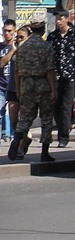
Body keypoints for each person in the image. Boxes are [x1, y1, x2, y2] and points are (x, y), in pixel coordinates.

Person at [9, 20, 57, 162]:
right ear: (42, 30)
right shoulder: (45, 46)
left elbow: (16, 71)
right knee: (46, 119)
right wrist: (54, 89)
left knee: (25, 118)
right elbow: (49, 70)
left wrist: (18, 89)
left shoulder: (22, 47)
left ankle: (16, 140)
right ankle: (44, 152)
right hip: (43, 85)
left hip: (26, 84)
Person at [0, 19, 18, 154]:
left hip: (14, 85)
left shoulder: (18, 47)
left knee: (14, 116)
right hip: (1, 84)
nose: (6, 33)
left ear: (14, 31)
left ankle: (14, 140)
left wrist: (14, 49)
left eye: (9, 31)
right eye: (5, 31)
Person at [48, 9, 74, 148]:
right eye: (56, 19)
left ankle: (63, 137)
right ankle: (64, 128)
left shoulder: (73, 35)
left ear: (66, 19)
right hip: (56, 76)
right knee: (56, 106)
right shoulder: (52, 37)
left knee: (66, 106)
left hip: (70, 76)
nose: (58, 21)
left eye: (60, 18)